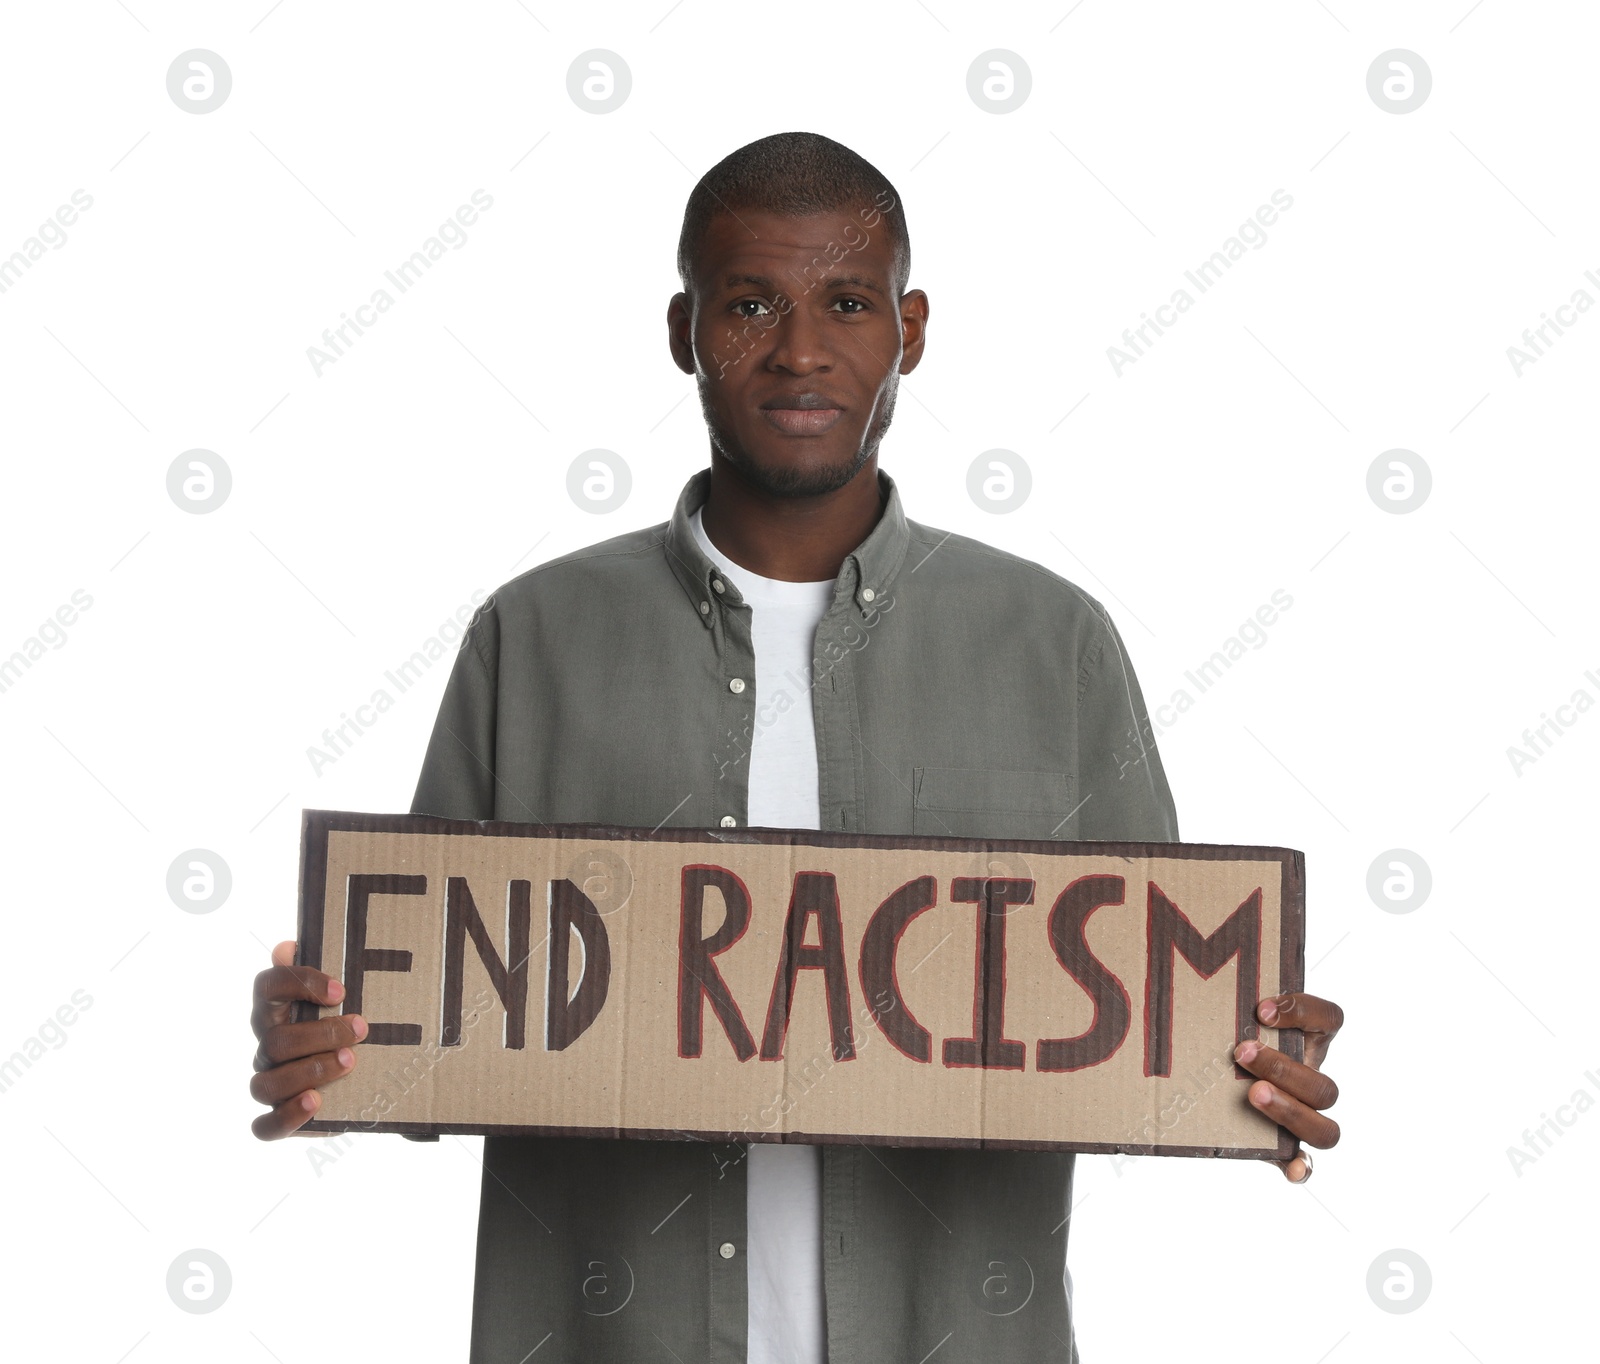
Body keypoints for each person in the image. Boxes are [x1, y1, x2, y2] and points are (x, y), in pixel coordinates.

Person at [250, 131, 1344, 1363]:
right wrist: (330, 1038)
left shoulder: (1053, 643)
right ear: (684, 329)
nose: (801, 349)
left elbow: (1148, 1020)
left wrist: (1254, 1062)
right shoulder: (533, 636)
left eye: (846, 302)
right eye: (751, 303)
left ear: (910, 329)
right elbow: (447, 1018)